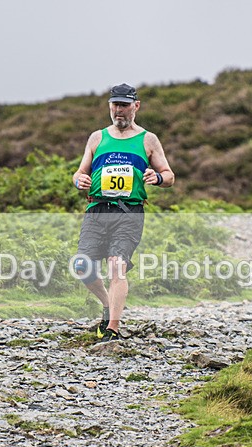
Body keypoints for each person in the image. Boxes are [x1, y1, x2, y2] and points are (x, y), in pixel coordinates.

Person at [72, 83, 175, 342]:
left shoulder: (148, 139)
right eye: (115, 105)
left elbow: (170, 175)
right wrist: (79, 181)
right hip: (97, 209)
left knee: (117, 266)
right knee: (82, 265)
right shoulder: (97, 137)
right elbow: (79, 172)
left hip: (129, 211)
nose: (119, 111)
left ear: (136, 106)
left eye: (124, 105)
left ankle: (113, 330)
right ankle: (108, 306)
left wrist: (158, 177)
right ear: (109, 106)